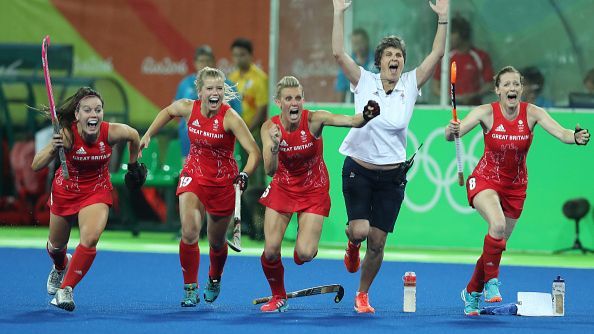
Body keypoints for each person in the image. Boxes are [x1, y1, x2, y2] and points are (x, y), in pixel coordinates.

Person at [332, 0, 449, 313]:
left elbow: (437, 55)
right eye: (390, 55)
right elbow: (337, 54)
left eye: (399, 55)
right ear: (379, 61)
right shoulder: (363, 81)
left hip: (393, 176)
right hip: (359, 168)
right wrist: (338, 13)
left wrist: (442, 19)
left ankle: (362, 295)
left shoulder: (410, 84)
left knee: (379, 242)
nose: (395, 59)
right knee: (359, 230)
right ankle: (351, 244)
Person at [445, 66, 590, 316]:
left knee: (496, 243)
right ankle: (492, 283)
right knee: (497, 225)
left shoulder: (533, 113)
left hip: (516, 187)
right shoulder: (485, 112)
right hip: (486, 180)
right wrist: (453, 129)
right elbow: (451, 134)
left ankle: (472, 292)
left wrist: (575, 137)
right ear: (498, 89)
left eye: (516, 84)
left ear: (521, 88)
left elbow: (561, 132)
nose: (512, 88)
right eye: (507, 84)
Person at [139, 67, 261, 307]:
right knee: (190, 231)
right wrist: (148, 134)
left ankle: (214, 278)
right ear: (200, 91)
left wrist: (245, 174)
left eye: (219, 88)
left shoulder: (230, 118)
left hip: (223, 182)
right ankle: (190, 288)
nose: (215, 93)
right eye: (210, 88)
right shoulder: (187, 107)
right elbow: (167, 111)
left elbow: (254, 153)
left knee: (216, 242)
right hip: (193, 175)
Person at [258, 76, 380, 312]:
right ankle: (278, 296)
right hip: (283, 186)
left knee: (304, 253)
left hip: (313, 188)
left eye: (298, 98)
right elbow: (270, 170)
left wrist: (365, 115)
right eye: (288, 99)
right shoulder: (269, 128)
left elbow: (351, 121)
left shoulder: (314, 119)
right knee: (271, 250)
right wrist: (274, 146)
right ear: (278, 102)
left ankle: (305, 246)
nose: (295, 103)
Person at [31, 87, 146, 311]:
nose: (93, 114)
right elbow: (36, 165)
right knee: (56, 247)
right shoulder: (67, 134)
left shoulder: (110, 132)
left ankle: (66, 290)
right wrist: (53, 149)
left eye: (98, 110)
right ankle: (60, 265)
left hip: (97, 189)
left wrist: (133, 165)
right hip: (66, 190)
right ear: (77, 115)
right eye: (87, 110)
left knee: (90, 238)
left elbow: (133, 135)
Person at [229, 37, 269, 239]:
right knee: (240, 181)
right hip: (237, 138)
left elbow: (262, 110)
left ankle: (260, 227)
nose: (238, 58)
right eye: (235, 55)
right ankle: (247, 225)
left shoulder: (260, 78)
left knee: (256, 184)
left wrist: (244, 130)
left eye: (242, 54)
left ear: (251, 55)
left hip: (255, 137)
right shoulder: (232, 78)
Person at [175, 45, 242, 158]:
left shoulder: (227, 85)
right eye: (201, 61)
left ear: (214, 62)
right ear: (195, 63)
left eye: (208, 60)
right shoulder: (185, 84)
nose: (205, 64)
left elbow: (238, 113)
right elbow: (175, 111)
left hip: (220, 144)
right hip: (189, 143)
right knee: (189, 173)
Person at [431, 16, 494, 105]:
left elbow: (490, 84)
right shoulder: (445, 58)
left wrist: (473, 96)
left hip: (474, 109)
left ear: (463, 34)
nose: (449, 37)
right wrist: (453, 98)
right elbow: (435, 87)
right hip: (450, 109)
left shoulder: (481, 56)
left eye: (452, 33)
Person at [335, 28, 376, 103]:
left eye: (360, 42)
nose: (358, 46)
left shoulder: (378, 60)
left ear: (367, 42)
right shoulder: (346, 64)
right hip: (354, 107)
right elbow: (341, 90)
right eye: (355, 43)